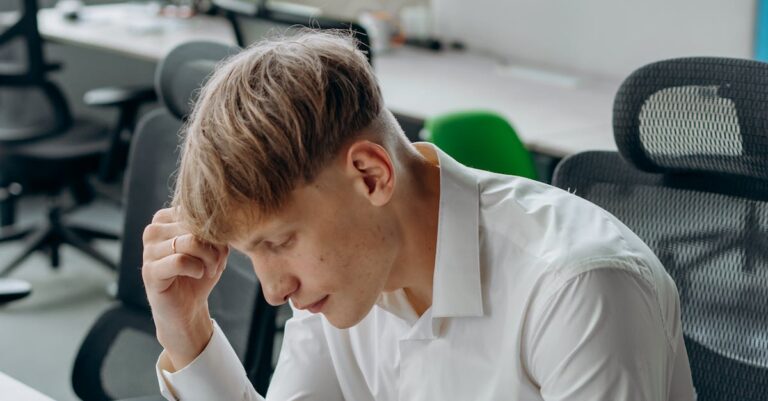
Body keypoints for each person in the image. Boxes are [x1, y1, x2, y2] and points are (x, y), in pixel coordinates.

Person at [142, 30, 695, 400]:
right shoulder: (345, 276)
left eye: (280, 242)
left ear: (370, 176)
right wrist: (187, 333)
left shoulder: (577, 288)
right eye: (252, 253)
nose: (273, 291)